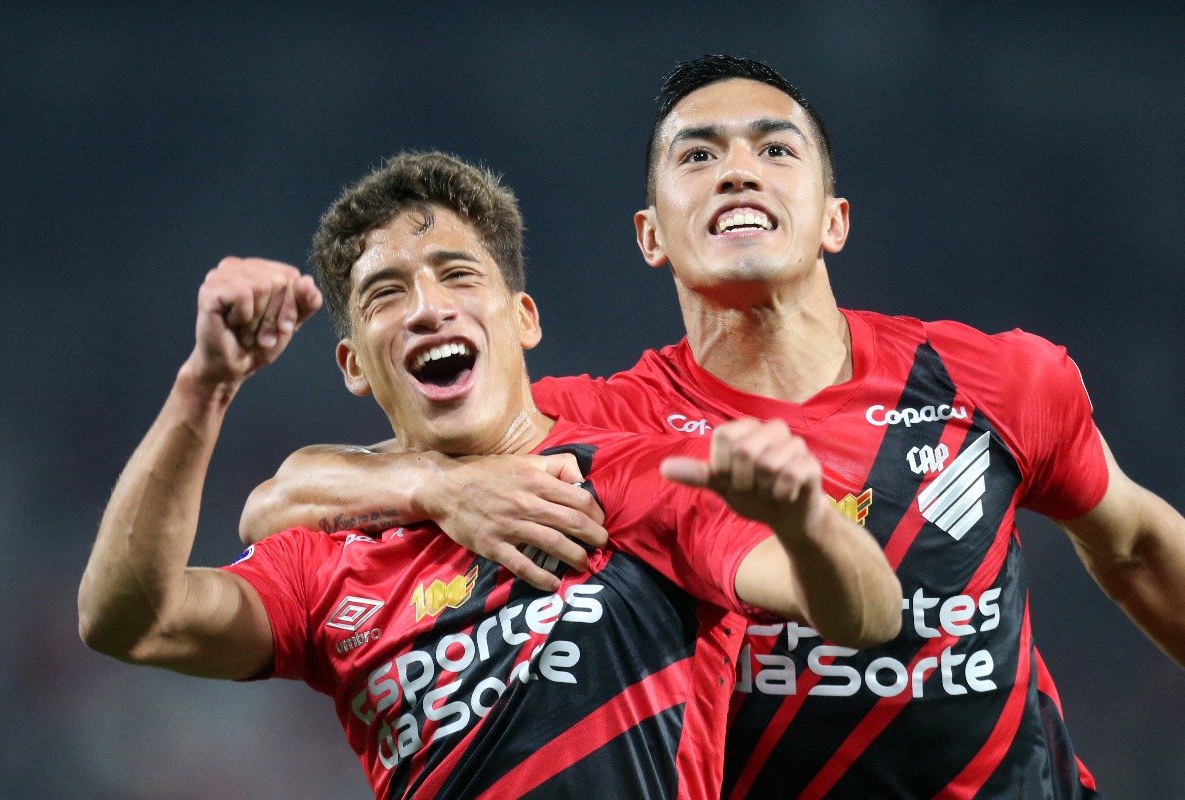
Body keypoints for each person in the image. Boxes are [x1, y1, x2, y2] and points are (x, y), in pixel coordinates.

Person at [240, 57, 1185, 800]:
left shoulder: (996, 378)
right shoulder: (603, 424)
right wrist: (432, 485)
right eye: (697, 154)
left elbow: (1138, 545)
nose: (738, 167)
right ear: (652, 234)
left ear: (833, 220)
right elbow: (281, 499)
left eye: (776, 150)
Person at [77, 151, 901, 800]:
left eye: (458, 274)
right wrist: (206, 385)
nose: (428, 307)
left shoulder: (633, 480)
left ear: (523, 320)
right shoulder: (332, 562)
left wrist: (806, 522)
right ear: (353, 366)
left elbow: (868, 612)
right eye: (386, 294)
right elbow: (128, 620)